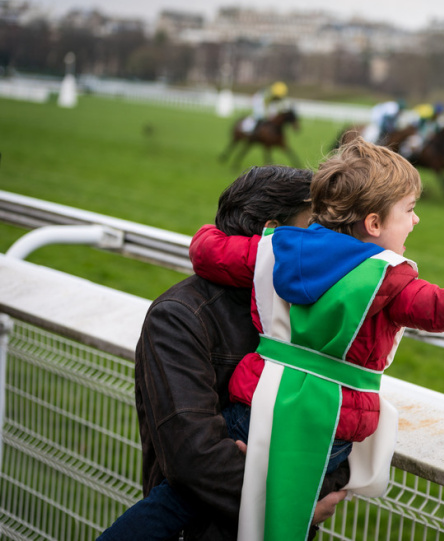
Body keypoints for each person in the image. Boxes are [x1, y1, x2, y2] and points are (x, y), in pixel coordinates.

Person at [187, 137, 444, 540]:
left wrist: (210, 231)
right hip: (332, 425)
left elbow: (207, 253)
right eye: (409, 210)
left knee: (189, 501)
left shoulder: (276, 248)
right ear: (374, 224)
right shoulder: (390, 278)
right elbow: (442, 307)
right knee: (284, 522)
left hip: (258, 402)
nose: (416, 220)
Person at [99, 166, 345, 541]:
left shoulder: (309, 311)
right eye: (314, 226)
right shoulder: (179, 316)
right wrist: (294, 501)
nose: (328, 242)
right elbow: (194, 457)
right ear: (273, 232)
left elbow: (343, 432)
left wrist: (308, 487)